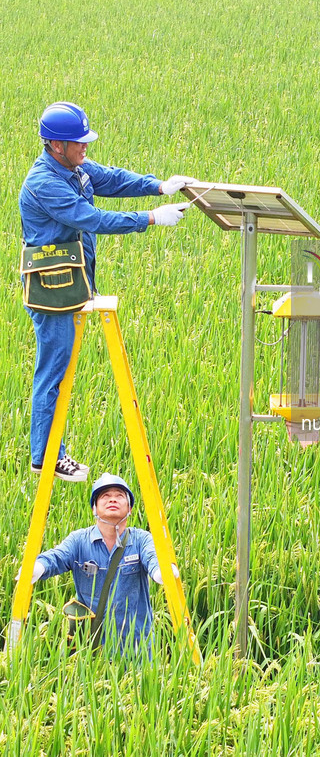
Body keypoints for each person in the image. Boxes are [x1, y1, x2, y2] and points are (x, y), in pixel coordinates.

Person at [20, 101, 192, 480]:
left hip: (73, 281)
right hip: (53, 290)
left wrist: (159, 186)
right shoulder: (45, 183)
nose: (85, 147)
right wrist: (149, 218)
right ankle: (45, 456)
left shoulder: (74, 167)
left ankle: (49, 450)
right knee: (54, 371)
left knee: (60, 370)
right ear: (54, 144)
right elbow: (91, 219)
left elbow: (112, 179)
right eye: (77, 142)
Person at [25, 473, 176, 655]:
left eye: (120, 496)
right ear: (94, 508)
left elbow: (153, 556)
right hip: (92, 648)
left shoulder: (141, 540)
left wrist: (161, 570)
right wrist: (37, 567)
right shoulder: (79, 540)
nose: (113, 499)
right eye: (105, 496)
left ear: (129, 509)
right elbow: (57, 557)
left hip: (136, 646)